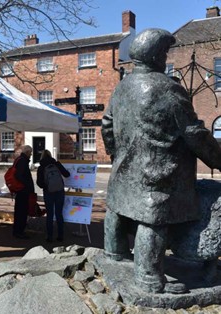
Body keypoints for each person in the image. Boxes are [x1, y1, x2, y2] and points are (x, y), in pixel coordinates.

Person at [101, 28, 221, 294]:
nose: (165, 57)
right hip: (159, 172)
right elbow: (194, 133)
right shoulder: (169, 89)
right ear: (156, 55)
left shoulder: (122, 86)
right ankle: (149, 280)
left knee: (118, 208)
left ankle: (113, 253)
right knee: (153, 221)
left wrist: (116, 153)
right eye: (165, 52)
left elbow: (107, 124)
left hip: (126, 168)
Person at [36, 149, 70, 242]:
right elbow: (67, 174)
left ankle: (50, 236)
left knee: (50, 214)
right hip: (59, 191)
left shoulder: (41, 167)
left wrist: (46, 185)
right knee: (59, 214)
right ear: (50, 155)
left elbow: (39, 183)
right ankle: (60, 236)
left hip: (48, 192)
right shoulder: (57, 164)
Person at [13, 145, 34, 239]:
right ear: (27, 152)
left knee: (19, 210)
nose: (31, 155)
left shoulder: (20, 159)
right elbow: (19, 175)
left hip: (20, 189)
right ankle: (19, 231)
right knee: (21, 211)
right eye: (30, 153)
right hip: (22, 190)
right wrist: (27, 184)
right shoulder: (22, 161)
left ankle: (18, 230)